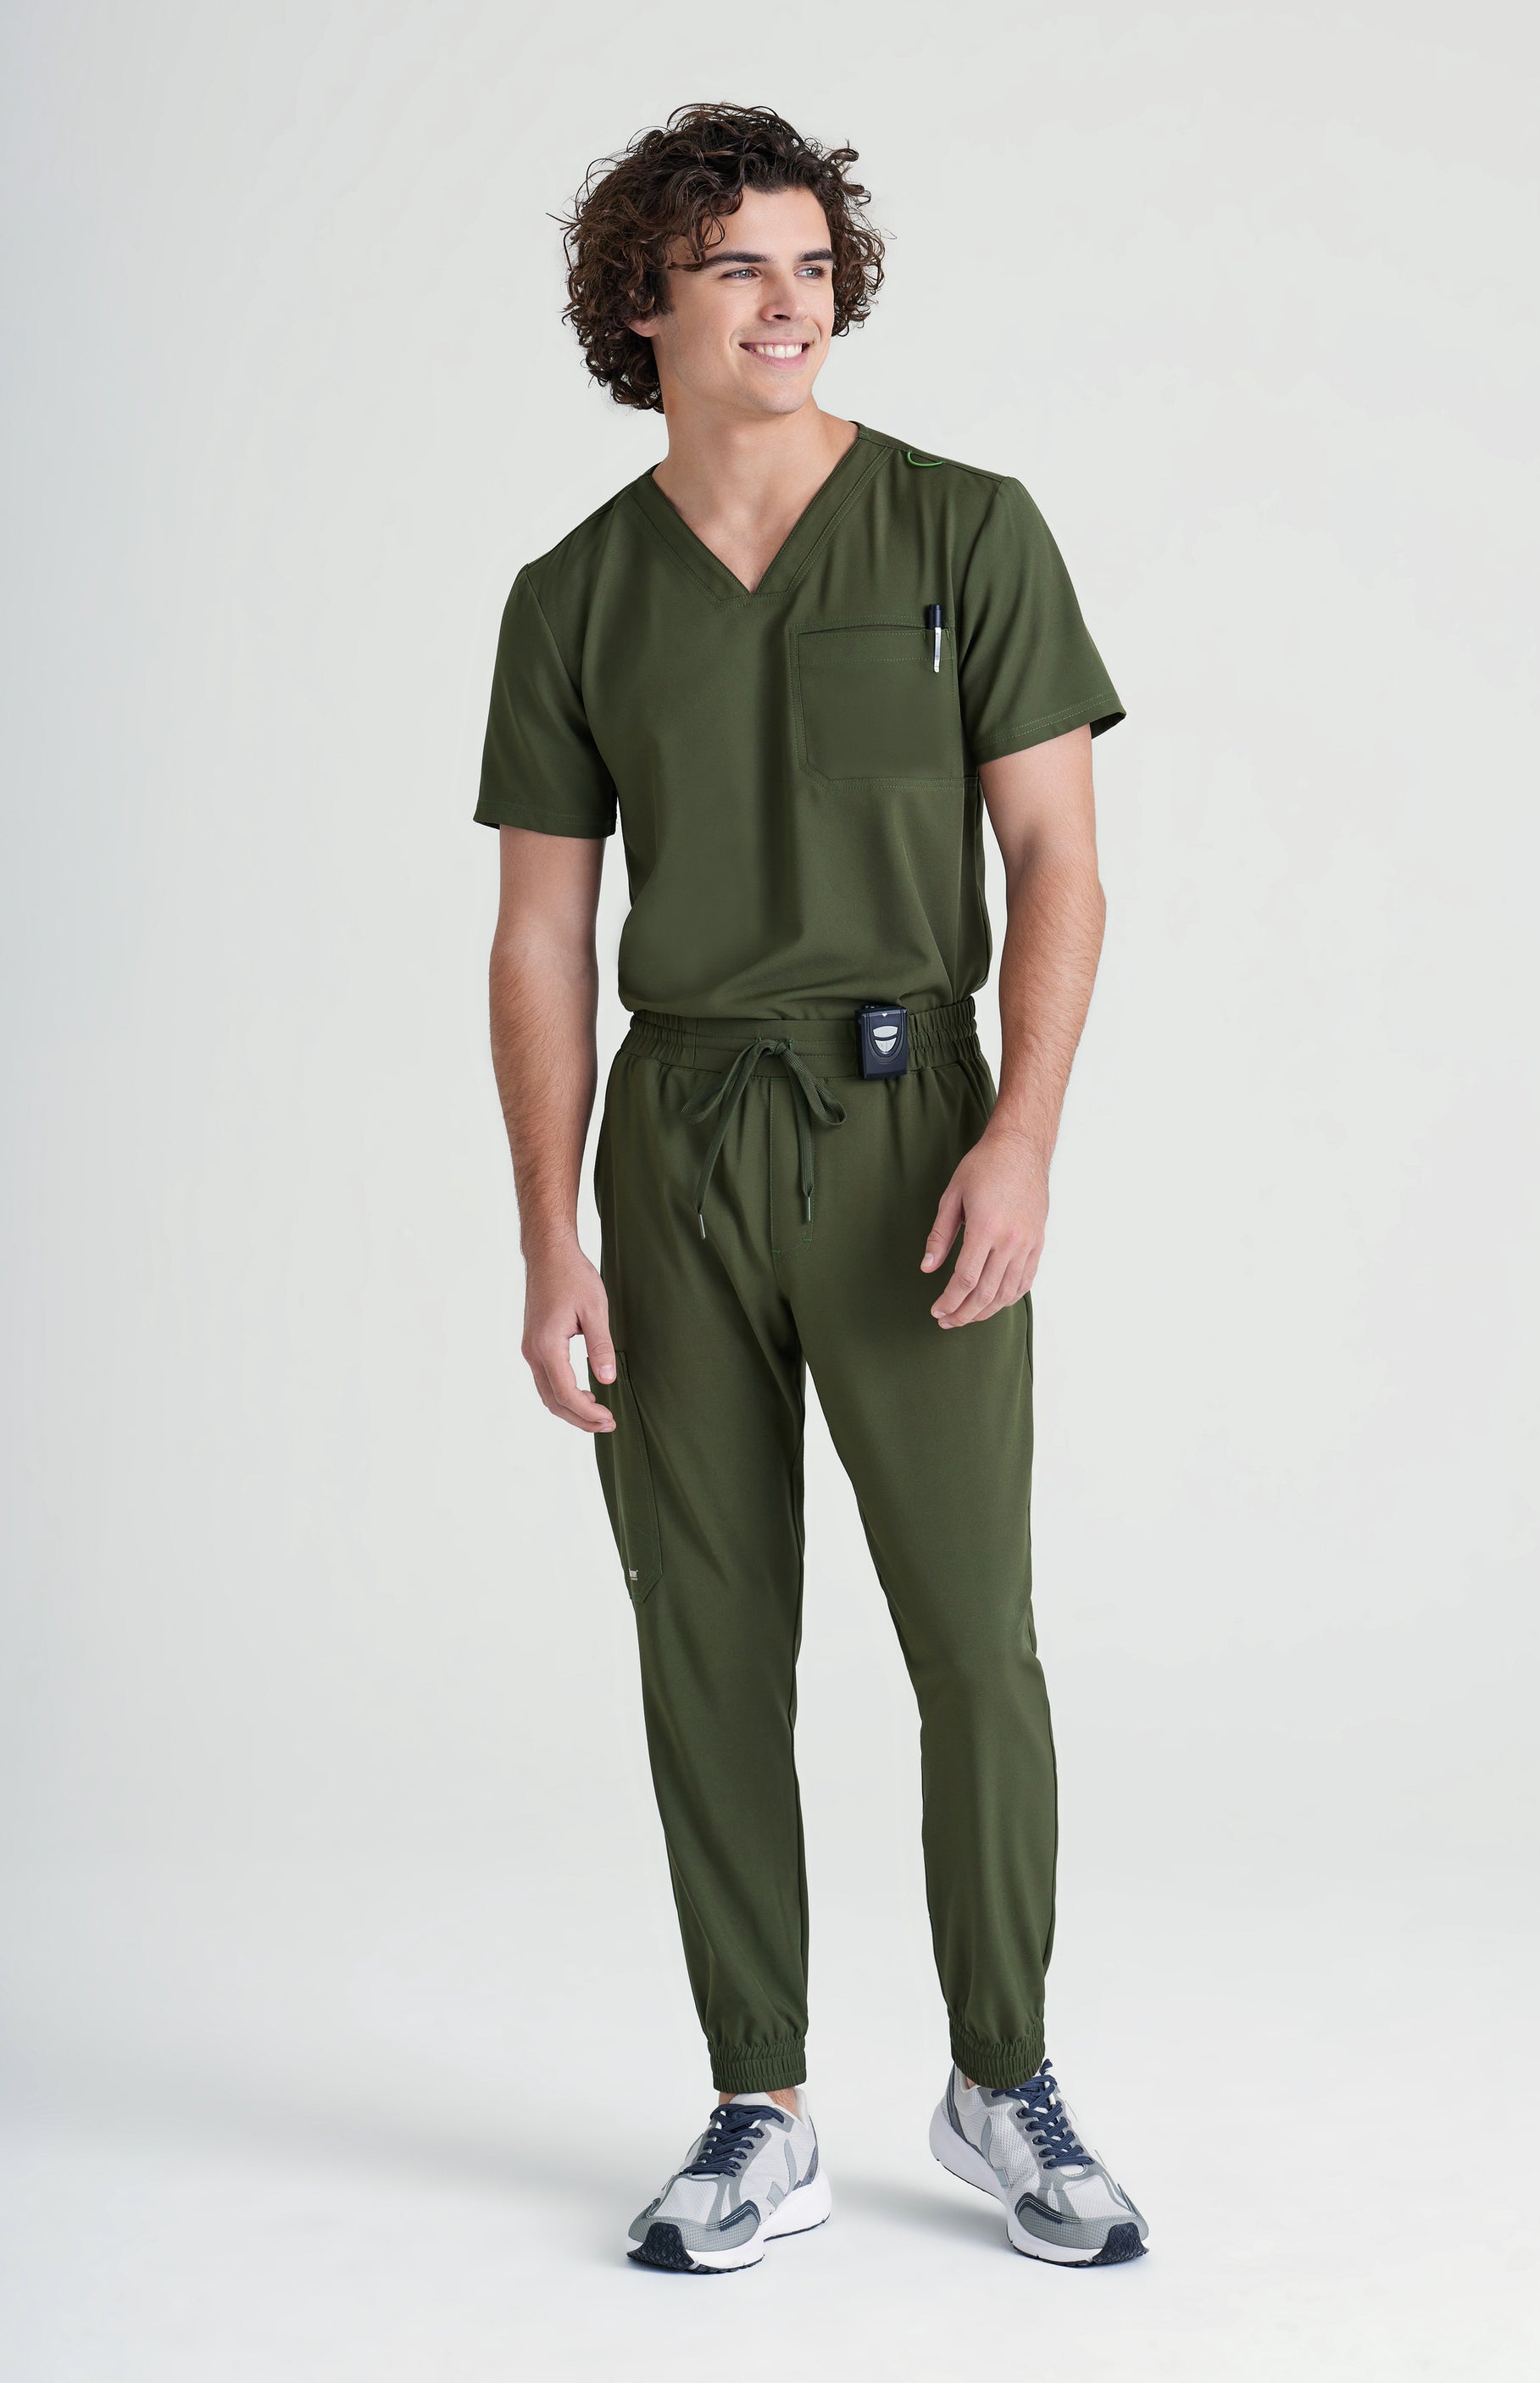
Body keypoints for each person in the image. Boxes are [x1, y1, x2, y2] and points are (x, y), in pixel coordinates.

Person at [475, 102, 1148, 2273]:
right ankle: (756, 2099)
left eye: (810, 262)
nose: (790, 301)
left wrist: (1019, 1128)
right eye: (738, 266)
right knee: (706, 1636)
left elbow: (1055, 859)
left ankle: (1003, 2072)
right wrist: (550, 1234)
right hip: (674, 1143)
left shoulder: (965, 529)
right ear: (641, 305)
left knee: (973, 1633)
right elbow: (540, 937)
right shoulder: (575, 595)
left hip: (905, 1128)